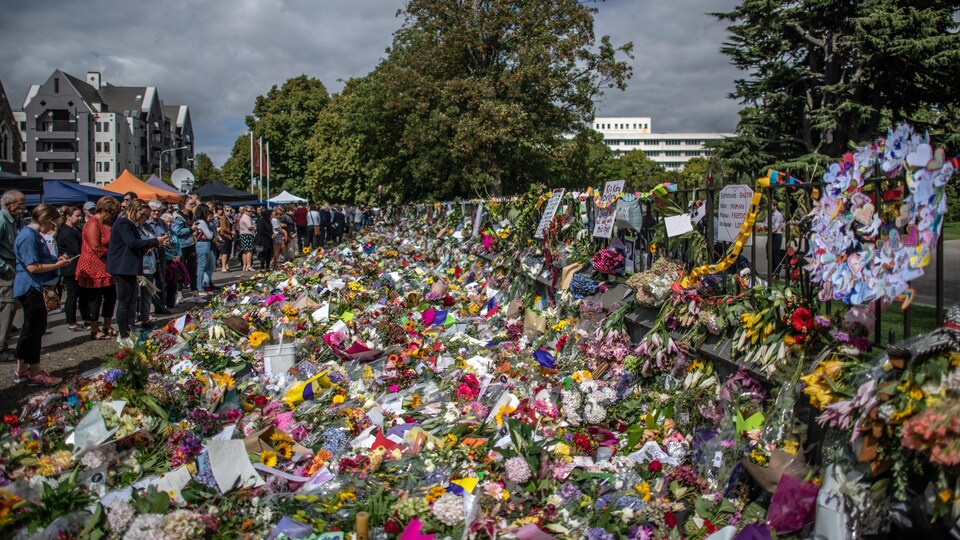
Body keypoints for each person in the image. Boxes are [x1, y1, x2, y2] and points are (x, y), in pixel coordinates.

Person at [13, 204, 72, 386]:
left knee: (29, 329)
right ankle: (35, 372)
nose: (55, 227)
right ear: (46, 220)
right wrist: (57, 266)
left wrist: (55, 260)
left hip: (37, 286)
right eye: (54, 223)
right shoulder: (29, 236)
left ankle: (22, 369)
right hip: (32, 287)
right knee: (35, 331)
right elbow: (32, 266)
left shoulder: (34, 235)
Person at [106, 199, 167, 347]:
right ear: (134, 210)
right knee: (124, 301)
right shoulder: (123, 223)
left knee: (130, 299)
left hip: (129, 266)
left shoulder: (130, 224)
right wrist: (155, 241)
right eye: (142, 215)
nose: (143, 218)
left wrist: (148, 246)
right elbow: (132, 243)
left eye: (146, 216)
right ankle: (123, 334)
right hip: (122, 267)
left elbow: (135, 245)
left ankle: (127, 329)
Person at [77, 196, 119, 341]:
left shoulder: (108, 223)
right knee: (94, 299)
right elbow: (96, 247)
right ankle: (94, 329)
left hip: (107, 265)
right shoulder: (92, 224)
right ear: (103, 210)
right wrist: (116, 253)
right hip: (93, 266)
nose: (112, 216)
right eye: (111, 212)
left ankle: (107, 325)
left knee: (111, 297)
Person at [0, 191, 24, 362]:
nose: (23, 208)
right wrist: (4, 267)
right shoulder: (2, 220)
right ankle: (1, 348)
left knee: (10, 306)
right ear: (9, 205)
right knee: (7, 307)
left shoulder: (14, 220)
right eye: (20, 204)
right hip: (5, 269)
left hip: (11, 265)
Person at [56, 206, 88, 331]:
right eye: (77, 216)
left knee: (82, 294)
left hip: (76, 266)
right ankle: (72, 323)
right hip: (70, 267)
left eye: (80, 216)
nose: (79, 218)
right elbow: (76, 249)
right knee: (73, 295)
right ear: (68, 217)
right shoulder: (66, 232)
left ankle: (86, 318)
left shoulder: (75, 229)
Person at [146, 200, 171, 314]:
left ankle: (161, 306)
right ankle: (146, 310)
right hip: (149, 253)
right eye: (154, 211)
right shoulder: (146, 223)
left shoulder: (162, 222)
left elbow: (166, 235)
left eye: (158, 211)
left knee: (161, 280)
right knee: (149, 282)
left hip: (160, 253)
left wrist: (166, 241)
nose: (156, 213)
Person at [172, 196, 198, 297]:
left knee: (192, 269)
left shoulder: (191, 215)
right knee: (180, 269)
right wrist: (191, 229)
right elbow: (177, 232)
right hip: (181, 246)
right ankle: (179, 294)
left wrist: (194, 231)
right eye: (191, 204)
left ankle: (195, 293)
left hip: (190, 244)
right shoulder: (177, 217)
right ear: (184, 204)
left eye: (193, 204)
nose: (193, 206)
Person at [193, 204, 216, 294]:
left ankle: (205, 284)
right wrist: (211, 234)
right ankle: (200, 288)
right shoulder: (201, 222)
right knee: (202, 267)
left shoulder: (200, 221)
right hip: (202, 245)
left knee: (209, 265)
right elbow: (210, 235)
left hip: (205, 245)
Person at [237, 206, 256, 272]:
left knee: (245, 251)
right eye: (248, 211)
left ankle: (244, 265)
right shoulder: (247, 217)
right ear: (245, 211)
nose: (250, 212)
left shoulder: (243, 217)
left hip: (243, 234)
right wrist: (254, 225)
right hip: (247, 234)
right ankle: (248, 265)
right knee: (249, 251)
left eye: (251, 211)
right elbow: (249, 226)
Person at [218, 206, 234, 272]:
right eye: (227, 210)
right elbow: (224, 228)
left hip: (230, 236)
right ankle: (223, 266)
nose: (229, 212)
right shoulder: (223, 218)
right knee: (224, 252)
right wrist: (231, 231)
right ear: (224, 211)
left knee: (228, 252)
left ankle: (226, 265)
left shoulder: (230, 218)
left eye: (230, 211)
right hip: (225, 236)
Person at [771, 203, 784, 278]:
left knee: (776, 254)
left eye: (771, 205)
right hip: (771, 235)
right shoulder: (769, 214)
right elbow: (765, 225)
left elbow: (775, 228)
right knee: (770, 254)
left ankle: (776, 273)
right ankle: (771, 271)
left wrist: (770, 231)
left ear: (775, 206)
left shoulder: (779, 215)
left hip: (777, 235)